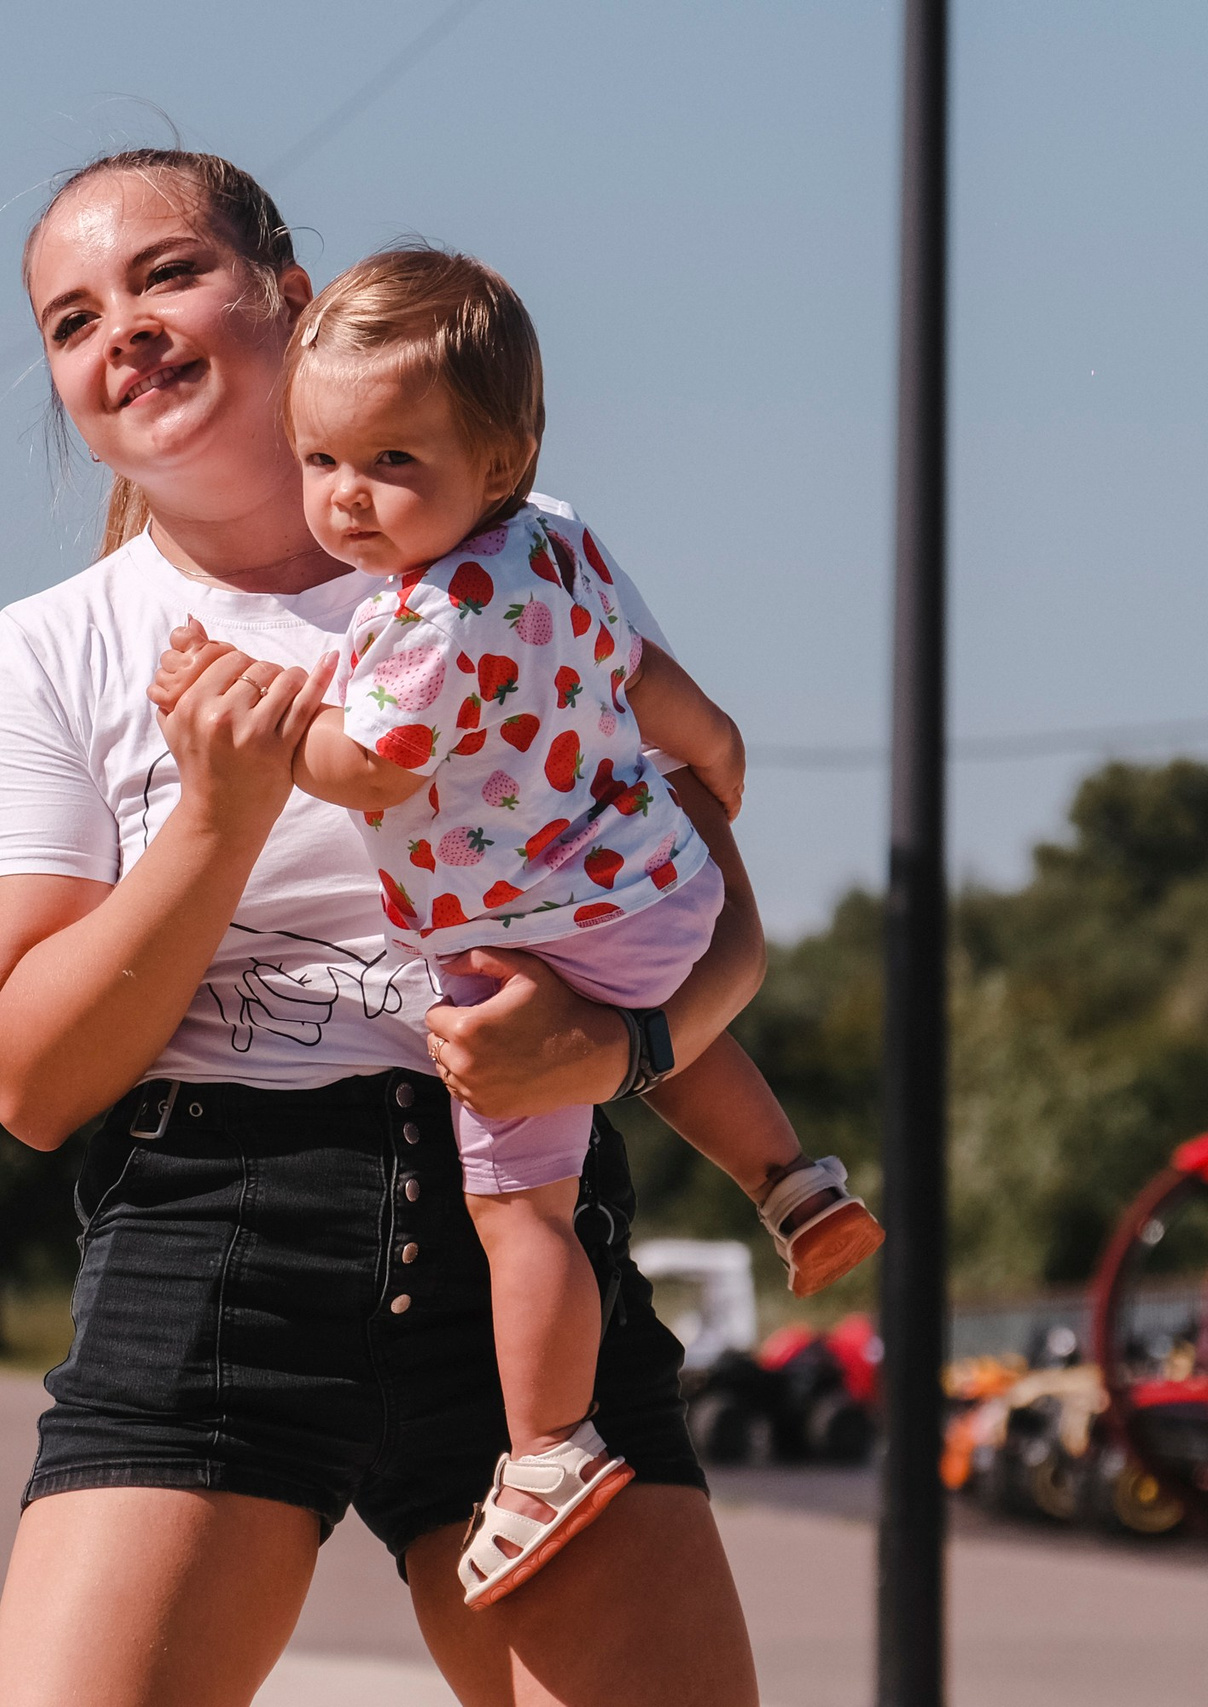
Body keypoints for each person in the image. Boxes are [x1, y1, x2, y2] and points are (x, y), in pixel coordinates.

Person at [0, 149, 761, 1705]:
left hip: (523, 1254)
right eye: (70, 317)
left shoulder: (534, 555)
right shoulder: (53, 651)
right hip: (214, 1241)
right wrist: (220, 811)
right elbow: (31, 1080)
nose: (120, 326)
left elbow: (726, 922)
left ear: (295, 301)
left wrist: (619, 1040)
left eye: (168, 273)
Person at [151, 245, 881, 1607]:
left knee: (522, 1216)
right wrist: (713, 736)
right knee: (666, 1041)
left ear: (500, 453)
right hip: (657, 885)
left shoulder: (427, 617)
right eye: (322, 461)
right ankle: (794, 1181)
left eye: (390, 463)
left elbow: (370, 765)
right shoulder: (557, 541)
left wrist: (256, 712)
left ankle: (547, 1446)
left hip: (519, 941)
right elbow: (641, 672)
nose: (348, 498)